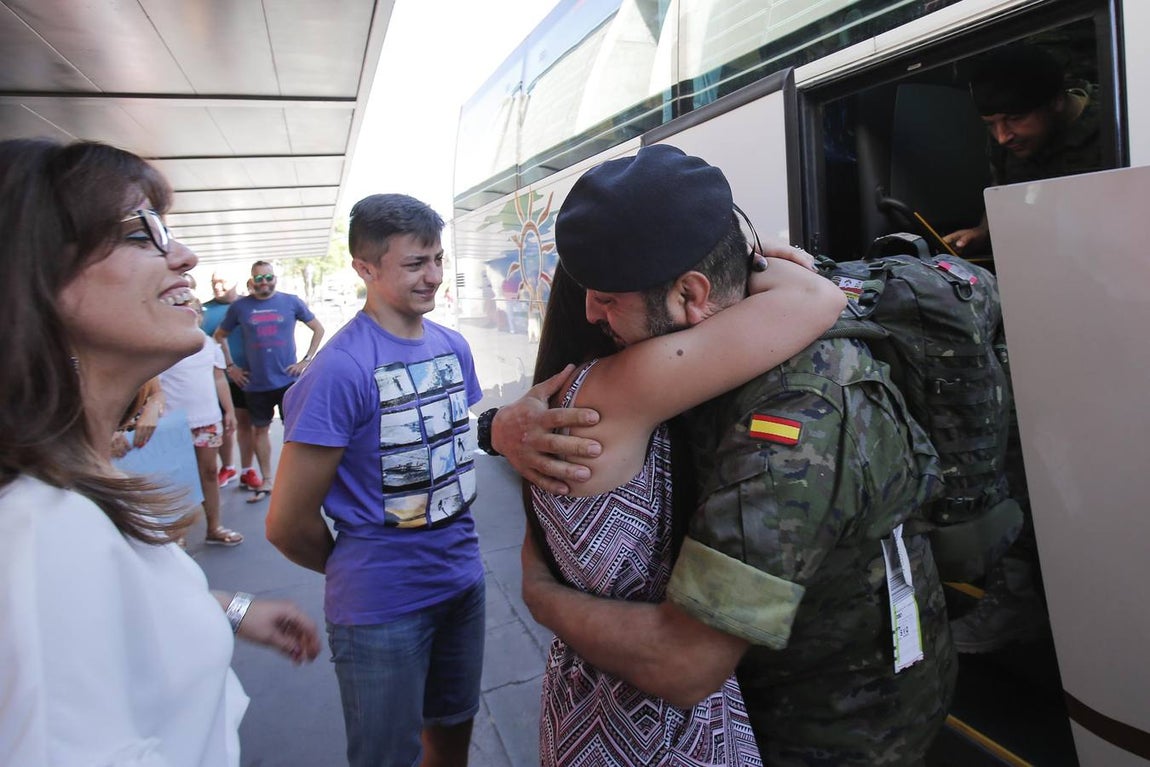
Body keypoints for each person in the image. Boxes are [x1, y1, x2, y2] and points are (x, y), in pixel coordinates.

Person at [501, 145, 957, 765]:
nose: (589, 313)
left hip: (834, 727)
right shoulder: (702, 349)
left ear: (691, 294)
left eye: (607, 298)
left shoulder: (797, 411)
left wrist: (538, 594)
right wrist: (496, 428)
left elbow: (685, 663)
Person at [0, 138, 321, 767]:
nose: (185, 255)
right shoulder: (40, 532)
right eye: (138, 231)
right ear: (34, 275)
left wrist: (227, 610)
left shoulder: (69, 498)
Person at [265, 193, 599, 767]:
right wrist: (360, 565)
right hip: (379, 609)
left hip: (462, 585)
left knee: (451, 733)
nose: (434, 277)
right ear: (365, 269)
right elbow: (287, 524)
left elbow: (452, 443)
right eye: (415, 263)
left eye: (439, 260)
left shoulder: (453, 346)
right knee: (385, 756)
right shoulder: (339, 370)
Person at [943, 43, 1103, 255]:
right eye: (990, 124)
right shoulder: (1010, 139)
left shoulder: (1117, 119)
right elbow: (1004, 192)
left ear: (1056, 102)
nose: (1001, 137)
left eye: (1015, 119)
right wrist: (983, 232)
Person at [213, 260, 324, 502]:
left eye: (268, 277)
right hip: (256, 384)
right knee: (259, 431)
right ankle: (267, 480)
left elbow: (318, 329)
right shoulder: (240, 307)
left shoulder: (291, 301)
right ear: (252, 281)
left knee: (296, 432)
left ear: (275, 278)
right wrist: (230, 367)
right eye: (259, 278)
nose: (265, 282)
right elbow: (219, 336)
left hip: (288, 381)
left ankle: (300, 481)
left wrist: (306, 360)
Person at [159, 297, 244, 547]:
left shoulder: (209, 345)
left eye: (195, 311)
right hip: (173, 423)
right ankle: (179, 531)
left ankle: (214, 526)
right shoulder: (163, 346)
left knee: (209, 472)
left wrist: (228, 410)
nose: (190, 315)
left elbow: (219, 379)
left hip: (207, 420)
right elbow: (154, 384)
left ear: (200, 316)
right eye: (183, 310)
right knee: (177, 476)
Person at [202, 271, 255, 490]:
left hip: (250, 379)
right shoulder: (203, 311)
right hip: (218, 379)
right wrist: (229, 367)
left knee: (247, 425)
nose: (217, 287)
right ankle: (228, 467)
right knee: (224, 425)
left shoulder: (249, 305)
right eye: (214, 283)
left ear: (235, 281)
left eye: (222, 282)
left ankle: (247, 470)